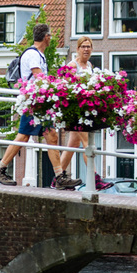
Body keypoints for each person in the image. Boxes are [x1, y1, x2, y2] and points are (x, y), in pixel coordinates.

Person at [0, 23, 79, 188]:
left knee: (51, 136)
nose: (51, 38)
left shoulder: (38, 55)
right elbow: (39, 78)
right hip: (34, 103)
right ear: (46, 37)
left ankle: (59, 177)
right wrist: (58, 86)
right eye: (50, 36)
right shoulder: (33, 55)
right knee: (23, 135)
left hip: (39, 103)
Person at [57, 37, 97, 189]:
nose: (86, 49)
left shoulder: (89, 65)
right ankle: (95, 178)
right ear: (78, 49)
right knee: (87, 142)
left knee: (73, 144)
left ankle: (58, 179)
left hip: (85, 109)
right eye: (83, 46)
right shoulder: (72, 65)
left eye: (89, 47)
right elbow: (63, 85)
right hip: (76, 111)